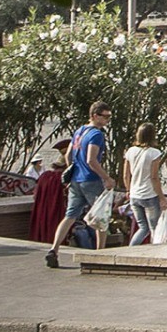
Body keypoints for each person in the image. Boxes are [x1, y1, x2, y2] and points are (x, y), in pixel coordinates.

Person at [48, 102, 117, 269]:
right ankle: (101, 255)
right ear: (94, 115)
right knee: (101, 216)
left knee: (70, 215)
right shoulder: (96, 134)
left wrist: (72, 168)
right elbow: (91, 159)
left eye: (109, 116)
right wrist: (107, 178)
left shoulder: (80, 131)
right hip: (91, 179)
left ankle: (53, 250)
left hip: (76, 180)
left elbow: (70, 153)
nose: (107, 120)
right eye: (105, 116)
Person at [122, 124, 167, 245]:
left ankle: (131, 249)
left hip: (134, 195)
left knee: (143, 227)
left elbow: (126, 175)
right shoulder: (154, 153)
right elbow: (154, 177)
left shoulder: (130, 151)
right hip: (149, 194)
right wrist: (162, 198)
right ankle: (155, 254)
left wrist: (128, 190)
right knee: (154, 228)